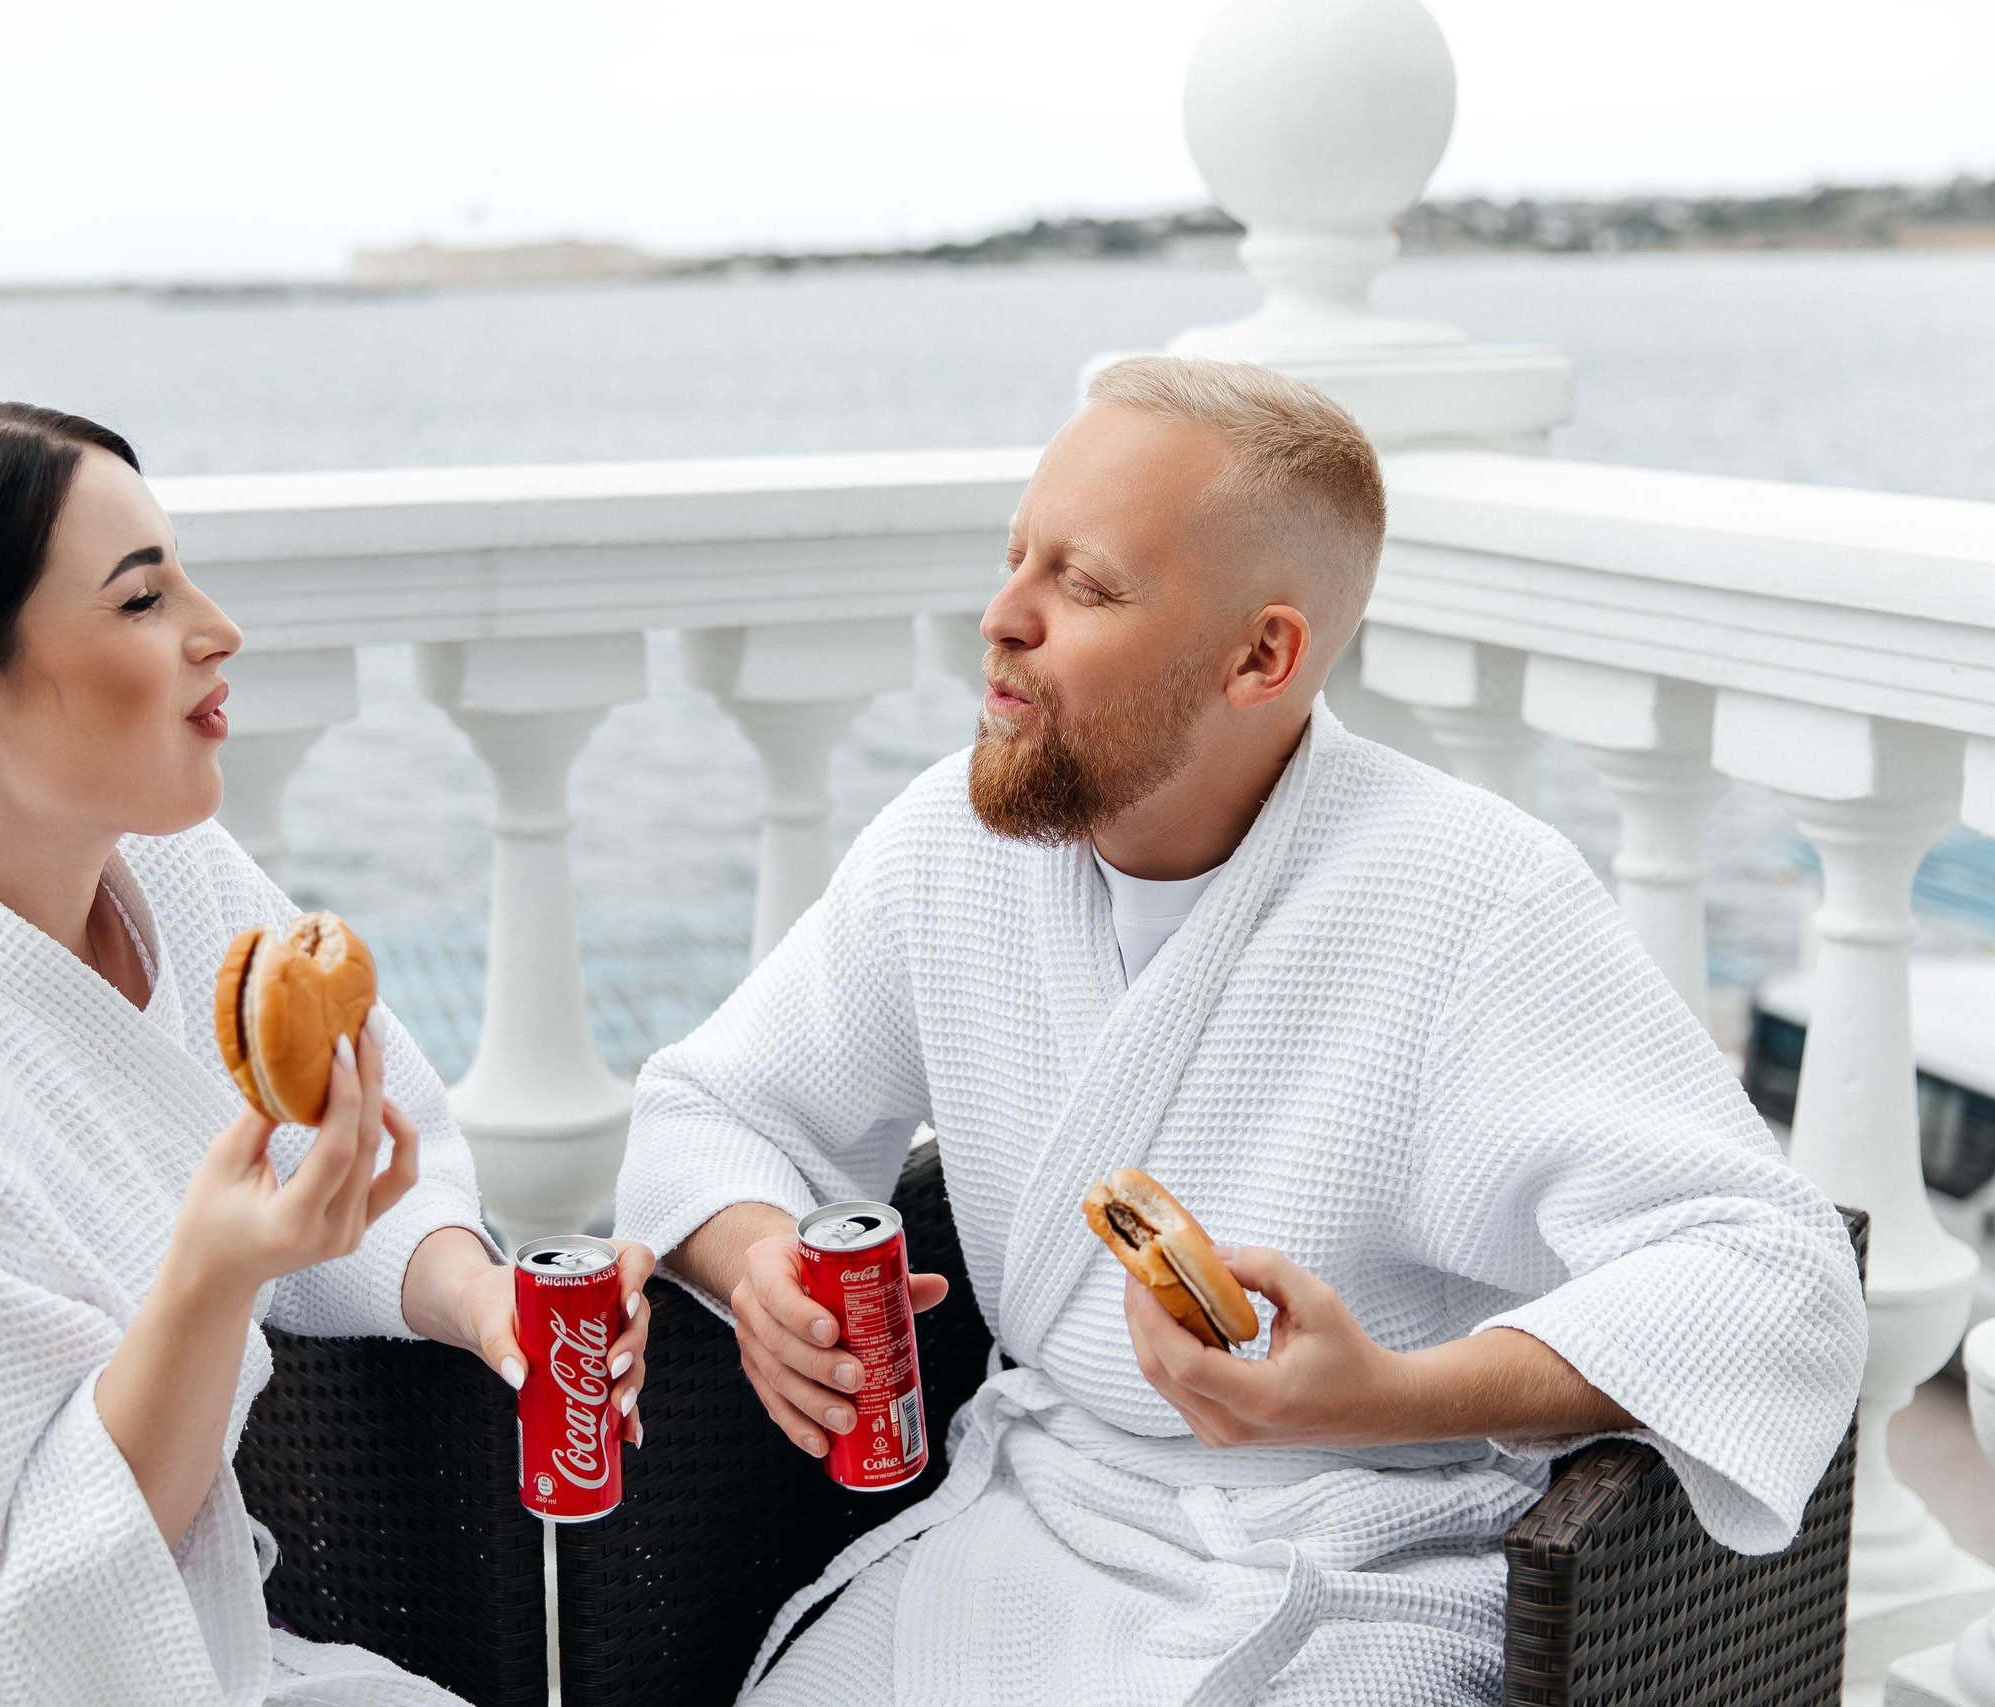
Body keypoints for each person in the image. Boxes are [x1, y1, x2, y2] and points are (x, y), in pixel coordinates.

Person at [613, 356, 1865, 1707]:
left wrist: (1381, 1396)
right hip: (1037, 1519)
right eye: (1014, 560)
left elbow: (1771, 1277)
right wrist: (759, 1267)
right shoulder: (947, 850)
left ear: (1260, 656)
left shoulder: (1473, 898)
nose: (1001, 619)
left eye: (1083, 587)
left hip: (1373, 1561)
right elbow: (715, 1111)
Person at [0, 389, 652, 1707]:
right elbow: (21, 1626)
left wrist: (478, 1298)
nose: (217, 630)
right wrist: (207, 1280)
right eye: (141, 600)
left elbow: (331, 1158)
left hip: (183, 1641)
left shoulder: (165, 874)